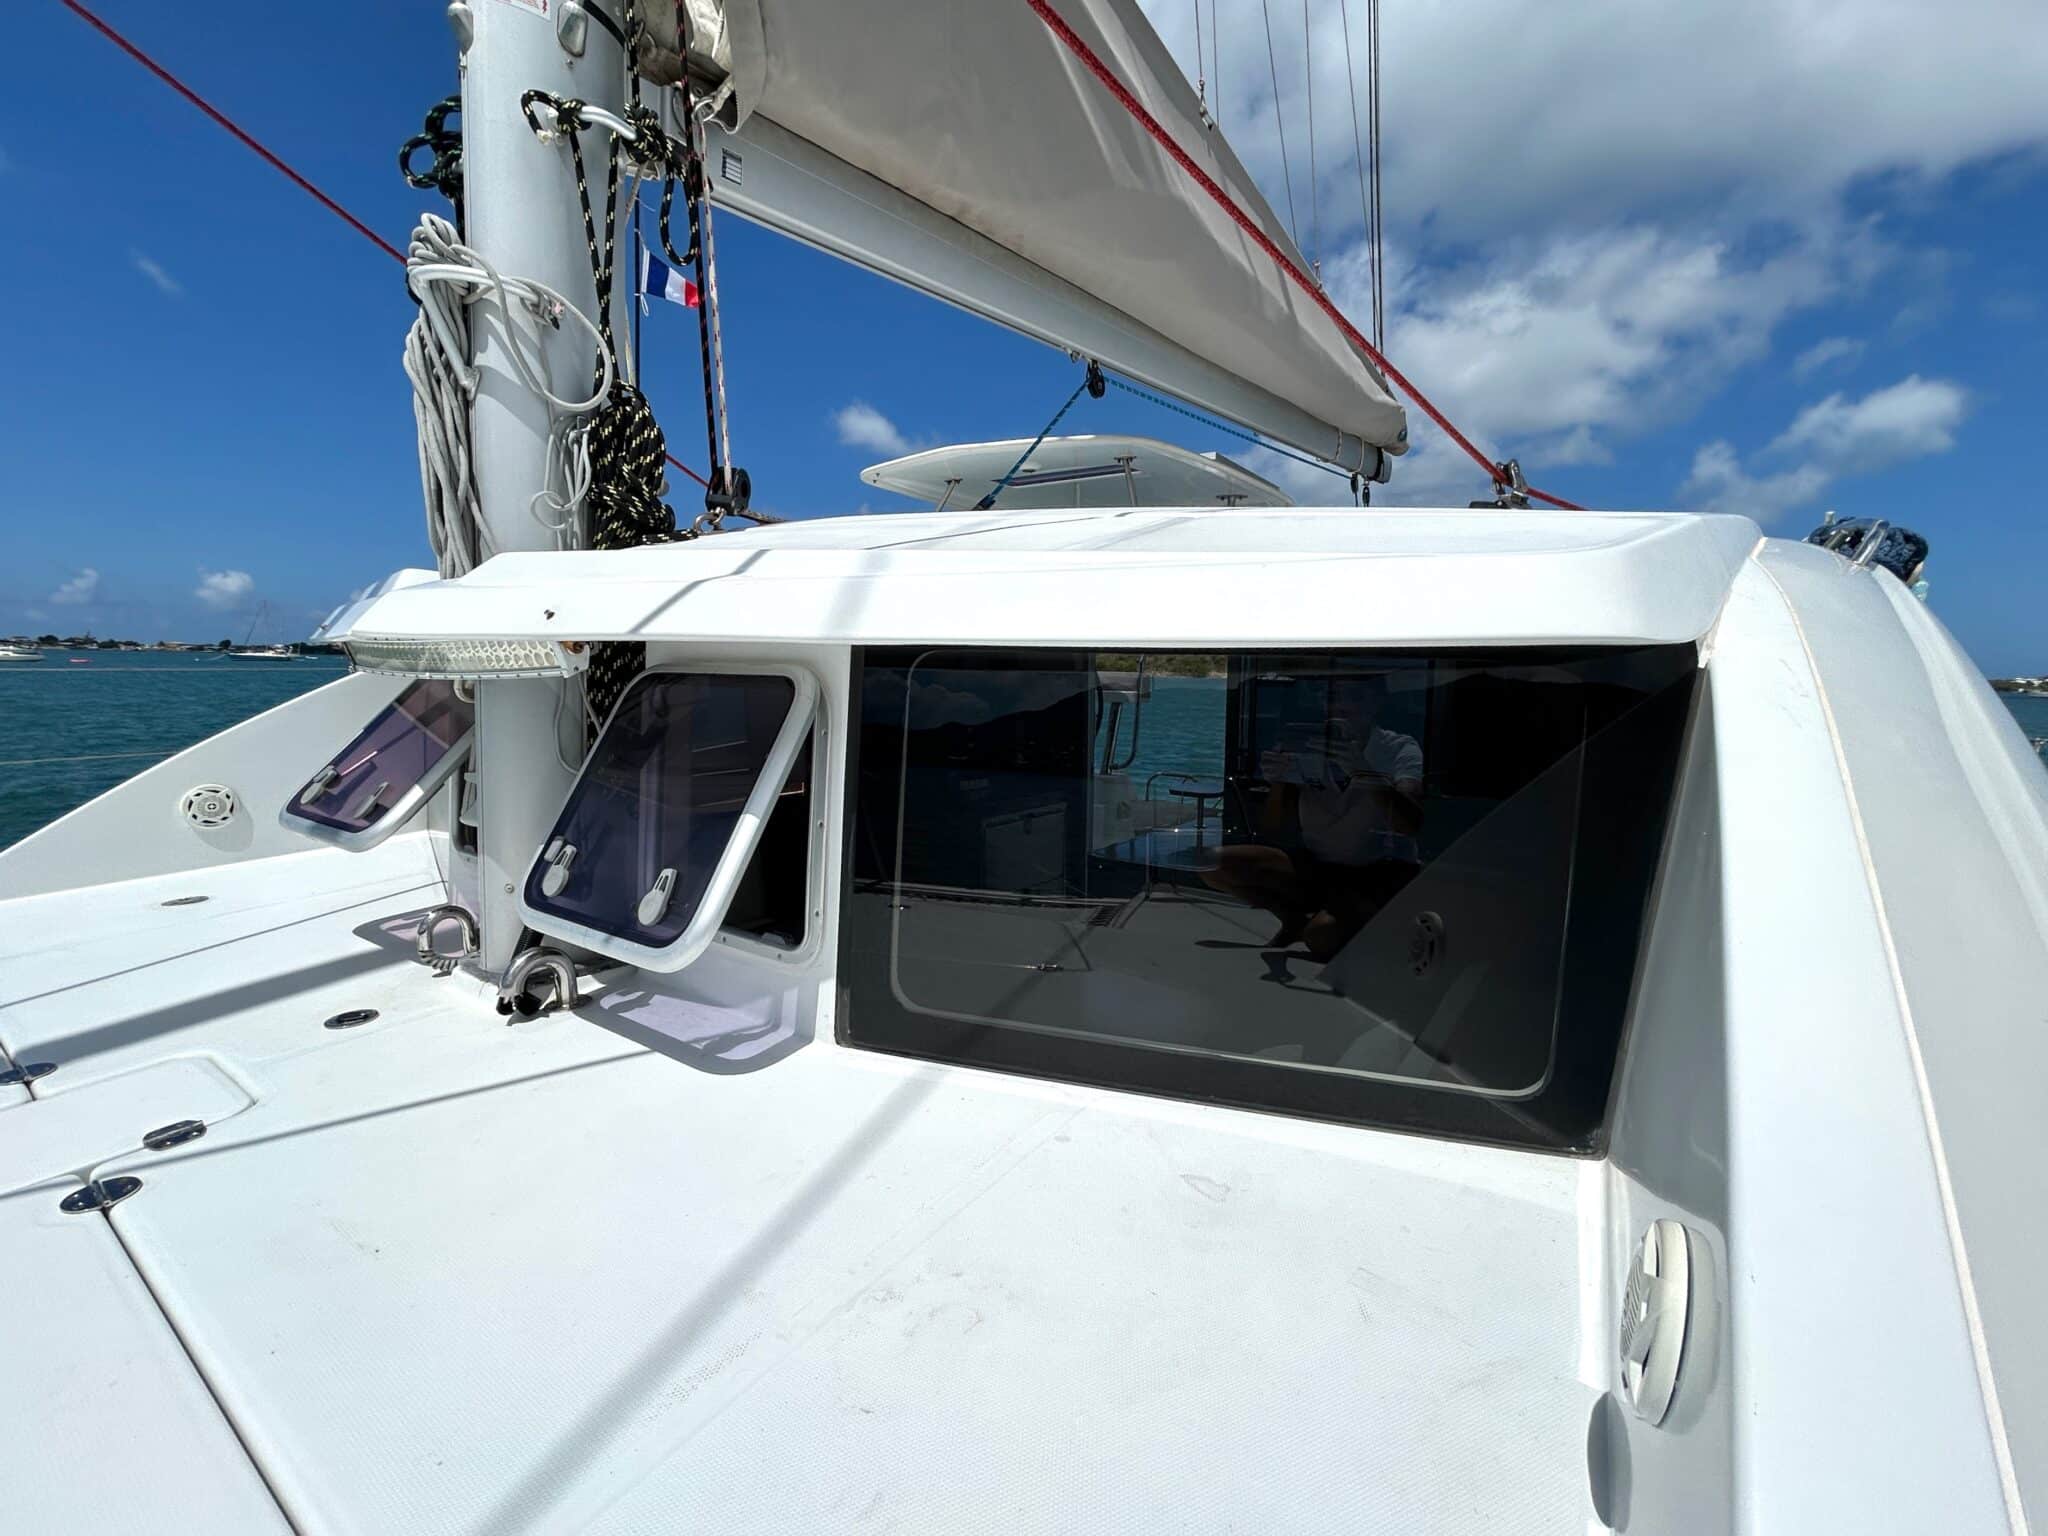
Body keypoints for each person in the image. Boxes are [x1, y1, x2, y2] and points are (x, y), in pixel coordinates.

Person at [1202, 671, 1424, 960]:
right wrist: (1279, 781)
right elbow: (1274, 827)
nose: (1342, 706)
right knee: (1207, 863)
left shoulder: (1399, 749)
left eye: (1355, 697)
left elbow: (1409, 824)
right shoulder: (1307, 745)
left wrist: (1364, 772)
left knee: (1321, 936)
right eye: (1334, 697)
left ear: (1377, 702)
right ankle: (1293, 919)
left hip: (1378, 871)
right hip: (1317, 865)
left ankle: (1345, 921)